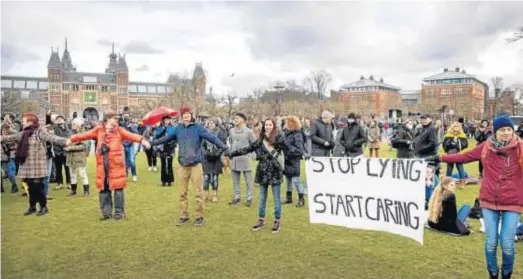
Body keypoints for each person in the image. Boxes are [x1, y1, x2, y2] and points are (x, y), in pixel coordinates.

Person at [427, 114, 522, 279]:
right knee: (491, 243)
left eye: (509, 129)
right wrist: (440, 157)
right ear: (495, 131)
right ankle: (493, 274)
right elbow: (464, 156)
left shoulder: (520, 148)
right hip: (489, 200)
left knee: (507, 244)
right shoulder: (487, 147)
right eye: (502, 130)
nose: (506, 133)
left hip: (512, 201)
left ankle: (506, 275)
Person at [150, 106, 227, 226]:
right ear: (181, 116)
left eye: (188, 114)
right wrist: (151, 143)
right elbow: (165, 139)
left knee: (198, 193)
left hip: (196, 165)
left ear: (191, 115)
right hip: (183, 166)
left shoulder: (198, 128)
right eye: (184, 114)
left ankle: (199, 217)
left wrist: (223, 146)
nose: (186, 116)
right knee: (182, 193)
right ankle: (184, 216)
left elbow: (211, 138)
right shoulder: (178, 129)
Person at [227, 118, 307, 233]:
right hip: (263, 171)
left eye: (270, 125)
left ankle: (277, 220)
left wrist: (303, 153)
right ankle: (261, 220)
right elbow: (249, 148)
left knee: (277, 198)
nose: (268, 127)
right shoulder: (261, 139)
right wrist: (233, 153)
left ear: (273, 126)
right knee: (262, 198)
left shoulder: (279, 137)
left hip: (275, 171)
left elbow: (290, 149)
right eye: (266, 125)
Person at [67, 112, 149, 220]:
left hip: (116, 164)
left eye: (117, 118)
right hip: (103, 164)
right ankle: (106, 213)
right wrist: (72, 139)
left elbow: (131, 136)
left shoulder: (119, 130)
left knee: (118, 189)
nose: (116, 120)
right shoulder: (99, 129)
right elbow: (85, 135)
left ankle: (119, 213)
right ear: (108, 119)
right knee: (104, 189)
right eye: (114, 118)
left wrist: (142, 140)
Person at [0, 113, 68, 216]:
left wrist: (67, 140)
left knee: (38, 187)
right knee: (30, 188)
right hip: (27, 165)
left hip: (37, 165)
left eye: (24, 121)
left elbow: (51, 137)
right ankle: (32, 207)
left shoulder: (39, 131)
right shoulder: (24, 132)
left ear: (30, 122)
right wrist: (2, 138)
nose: (22, 122)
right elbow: (12, 137)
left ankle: (43, 207)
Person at [228, 112, 257, 206]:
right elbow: (231, 142)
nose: (235, 120)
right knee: (235, 181)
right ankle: (237, 197)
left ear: (243, 120)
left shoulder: (249, 131)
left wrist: (251, 154)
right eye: (234, 118)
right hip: (234, 159)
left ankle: (249, 198)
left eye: (237, 118)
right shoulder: (231, 130)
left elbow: (255, 144)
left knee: (248, 181)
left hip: (245, 159)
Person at [282, 116, 307, 207]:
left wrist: (289, 150)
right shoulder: (286, 133)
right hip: (286, 159)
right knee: (287, 179)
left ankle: (301, 199)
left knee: (296, 180)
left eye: (287, 122)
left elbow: (299, 149)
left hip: (294, 160)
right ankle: (289, 198)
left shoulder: (298, 134)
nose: (285, 124)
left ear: (291, 123)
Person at [202, 117, 227, 202]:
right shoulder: (204, 133)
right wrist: (206, 153)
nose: (211, 125)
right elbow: (201, 145)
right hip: (206, 159)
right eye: (209, 123)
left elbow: (223, 145)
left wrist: (216, 154)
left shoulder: (220, 133)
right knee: (206, 177)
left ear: (216, 124)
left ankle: (214, 195)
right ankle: (205, 195)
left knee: (215, 178)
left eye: (213, 123)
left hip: (216, 159)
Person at [65, 118, 89, 196]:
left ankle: (86, 191)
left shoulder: (83, 134)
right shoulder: (71, 133)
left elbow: (83, 146)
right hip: (71, 156)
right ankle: (73, 190)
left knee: (83, 174)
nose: (72, 125)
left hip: (80, 157)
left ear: (78, 125)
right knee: (73, 174)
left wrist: (71, 148)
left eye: (74, 124)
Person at [442, 122, 468, 188]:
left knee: (460, 167)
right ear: (452, 127)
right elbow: (444, 145)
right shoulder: (448, 135)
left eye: (457, 126)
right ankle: (447, 183)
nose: (456, 128)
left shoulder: (462, 135)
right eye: (455, 126)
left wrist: (457, 144)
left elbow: (465, 144)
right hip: (450, 153)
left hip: (458, 153)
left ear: (460, 127)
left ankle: (462, 183)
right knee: (449, 168)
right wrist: (451, 143)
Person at [154, 116, 176, 187]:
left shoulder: (173, 128)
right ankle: (163, 180)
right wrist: (163, 130)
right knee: (163, 165)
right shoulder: (160, 128)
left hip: (170, 148)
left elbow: (175, 138)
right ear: (163, 120)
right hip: (162, 149)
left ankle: (169, 180)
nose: (167, 121)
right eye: (165, 120)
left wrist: (173, 144)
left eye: (168, 120)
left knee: (169, 164)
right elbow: (157, 137)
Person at [52, 115, 72, 190]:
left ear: (64, 120)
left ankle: (69, 182)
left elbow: (69, 139)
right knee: (58, 168)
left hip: (66, 152)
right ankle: (59, 183)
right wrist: (64, 143)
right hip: (58, 152)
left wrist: (66, 144)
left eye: (61, 119)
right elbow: (55, 140)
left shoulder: (68, 130)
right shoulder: (55, 129)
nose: (59, 120)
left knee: (67, 168)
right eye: (58, 119)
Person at [1, 115, 19, 193]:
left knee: (10, 172)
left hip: (11, 154)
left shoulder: (14, 131)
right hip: (3, 154)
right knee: (5, 171)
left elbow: (17, 139)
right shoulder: (1, 129)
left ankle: (14, 185)